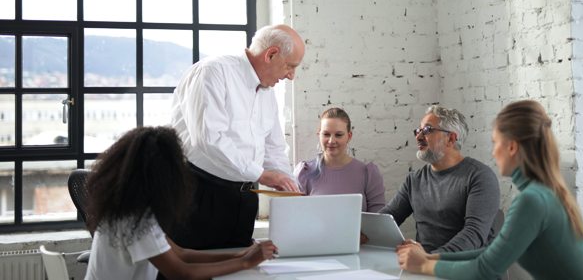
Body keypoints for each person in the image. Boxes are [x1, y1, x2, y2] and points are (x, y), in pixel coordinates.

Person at [397, 100, 583, 279]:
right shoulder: (541, 194)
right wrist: (430, 257)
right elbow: (489, 255)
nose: (493, 152)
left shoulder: (532, 201)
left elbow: (484, 269)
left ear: (512, 147)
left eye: (495, 143)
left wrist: (424, 264)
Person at [170, 24, 305, 250]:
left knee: (240, 268)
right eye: (290, 66)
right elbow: (209, 139)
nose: (291, 76)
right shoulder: (212, 72)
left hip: (244, 198)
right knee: (192, 272)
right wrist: (262, 175)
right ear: (271, 54)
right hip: (199, 194)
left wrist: (291, 187)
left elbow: (273, 149)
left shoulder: (267, 93)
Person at [85, 126, 277, 280]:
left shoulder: (124, 210)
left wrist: (241, 255)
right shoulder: (138, 222)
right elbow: (181, 273)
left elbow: (181, 253)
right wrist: (245, 263)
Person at [380, 105, 500, 253]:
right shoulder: (415, 180)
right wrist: (359, 231)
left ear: (451, 138)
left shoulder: (479, 177)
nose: (418, 137)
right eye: (418, 131)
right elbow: (388, 218)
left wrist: (429, 259)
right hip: (424, 268)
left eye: (427, 130)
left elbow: (474, 234)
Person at [294, 107, 385, 212]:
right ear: (319, 135)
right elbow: (295, 218)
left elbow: (377, 222)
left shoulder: (368, 174)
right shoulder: (304, 172)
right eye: (326, 134)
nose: (331, 141)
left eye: (338, 135)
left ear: (349, 136)